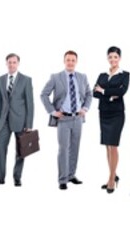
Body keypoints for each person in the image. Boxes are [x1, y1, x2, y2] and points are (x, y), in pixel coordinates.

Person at [41, 51, 91, 190]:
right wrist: (52, 111)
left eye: (73, 60)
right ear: (64, 61)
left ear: (76, 61)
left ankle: (71, 175)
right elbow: (44, 94)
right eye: (68, 60)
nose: (70, 62)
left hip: (78, 118)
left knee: (75, 148)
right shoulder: (56, 77)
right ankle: (62, 179)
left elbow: (89, 94)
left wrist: (85, 108)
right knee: (63, 149)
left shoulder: (82, 77)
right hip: (63, 119)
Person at [0, 53, 35, 187]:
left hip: (20, 121)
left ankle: (17, 177)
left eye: (14, 62)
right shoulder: (0, 80)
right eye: (9, 62)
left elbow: (30, 103)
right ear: (6, 63)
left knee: (21, 151)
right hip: (3, 121)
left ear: (18, 63)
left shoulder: (26, 80)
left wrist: (29, 124)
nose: (11, 64)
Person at [94, 46, 130, 193]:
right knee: (107, 146)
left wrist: (103, 91)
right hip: (103, 113)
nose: (113, 60)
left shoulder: (125, 74)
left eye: (115, 57)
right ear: (107, 58)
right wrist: (109, 94)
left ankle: (111, 179)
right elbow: (94, 93)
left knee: (113, 145)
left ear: (119, 58)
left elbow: (122, 91)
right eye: (110, 57)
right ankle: (113, 175)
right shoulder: (102, 75)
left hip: (116, 114)